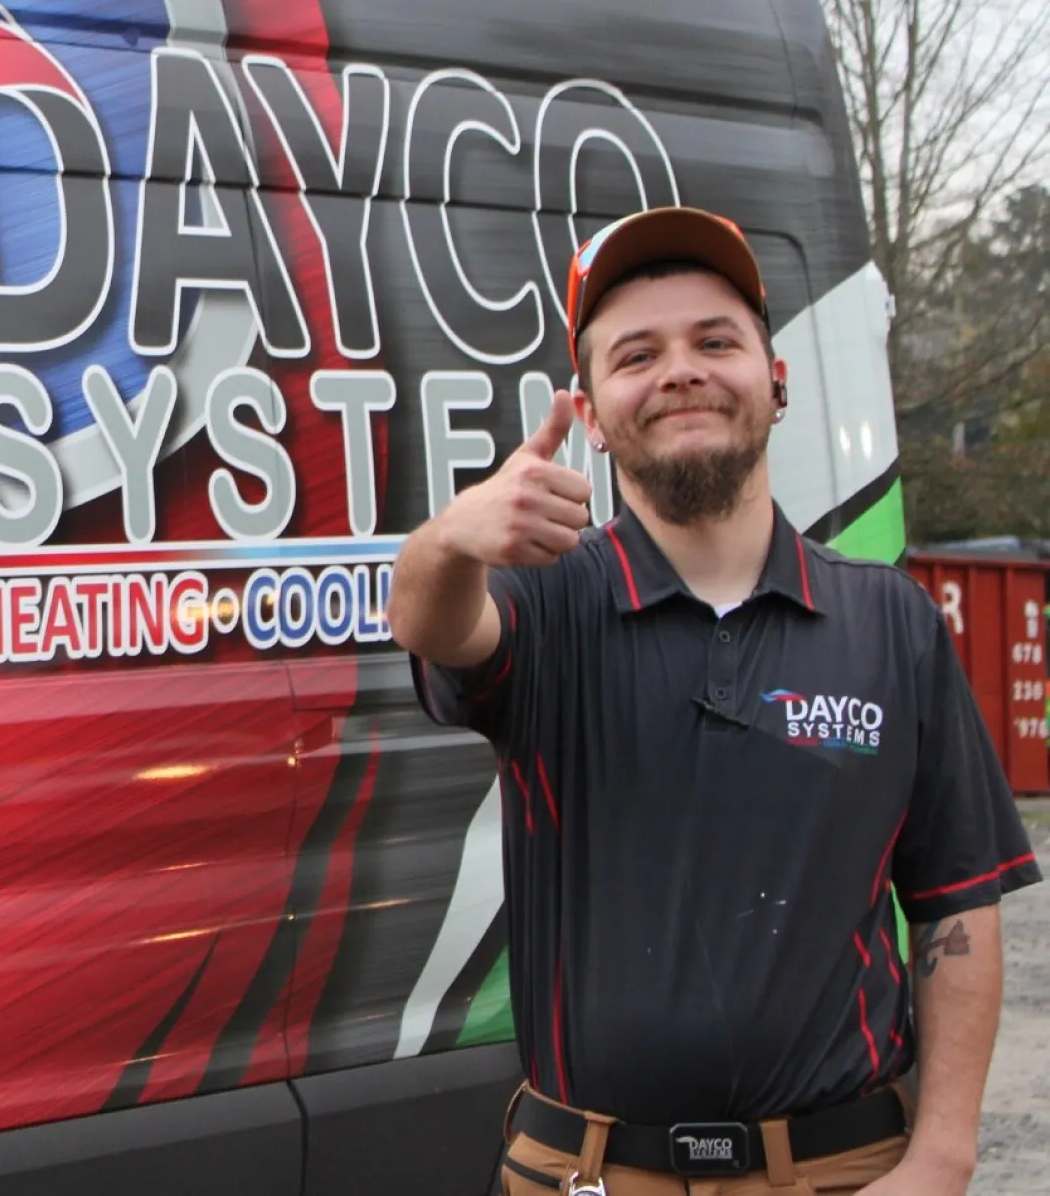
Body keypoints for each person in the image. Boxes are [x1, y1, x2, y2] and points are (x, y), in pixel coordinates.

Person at [387, 207, 1042, 1195]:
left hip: (842, 1170)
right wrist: (445, 539)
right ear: (595, 415)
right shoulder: (543, 602)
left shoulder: (889, 623)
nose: (681, 369)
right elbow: (435, 629)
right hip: (591, 1172)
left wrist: (943, 1153)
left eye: (715, 340)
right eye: (636, 353)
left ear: (775, 384)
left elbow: (957, 898)